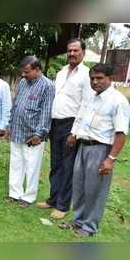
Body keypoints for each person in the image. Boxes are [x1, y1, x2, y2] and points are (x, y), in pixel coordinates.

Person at [59, 63, 129, 237]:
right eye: (92, 79)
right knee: (80, 186)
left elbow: (120, 134)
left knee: (95, 190)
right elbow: (81, 117)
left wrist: (110, 159)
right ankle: (77, 220)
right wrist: (73, 134)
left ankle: (89, 227)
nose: (95, 82)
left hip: (100, 150)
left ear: (110, 79)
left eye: (100, 78)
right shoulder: (91, 97)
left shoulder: (118, 101)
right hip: (83, 146)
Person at [37, 38, 92, 220]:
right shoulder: (61, 72)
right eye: (69, 50)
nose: (72, 54)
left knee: (68, 167)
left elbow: (85, 105)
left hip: (71, 125)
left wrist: (75, 132)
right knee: (55, 164)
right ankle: (53, 199)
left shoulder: (86, 74)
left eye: (76, 50)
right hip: (56, 123)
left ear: (83, 52)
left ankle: (62, 205)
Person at [6, 56, 55, 207]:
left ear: (37, 69)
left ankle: (28, 197)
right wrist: (10, 126)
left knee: (32, 166)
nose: (23, 75)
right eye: (22, 72)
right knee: (16, 163)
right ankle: (14, 193)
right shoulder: (22, 83)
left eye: (27, 72)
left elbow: (46, 112)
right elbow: (15, 105)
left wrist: (39, 134)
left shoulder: (48, 85)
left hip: (33, 135)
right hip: (17, 130)